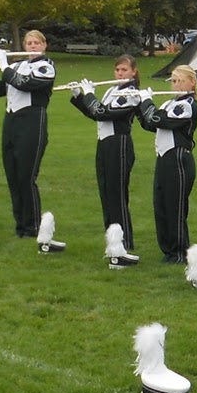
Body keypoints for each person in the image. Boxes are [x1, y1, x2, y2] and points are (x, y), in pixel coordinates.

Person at [0, 29, 55, 236]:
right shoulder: (17, 66)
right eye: (29, 43)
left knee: (26, 176)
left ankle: (32, 226)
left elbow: (24, 83)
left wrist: (3, 65)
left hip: (32, 122)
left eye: (36, 43)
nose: (32, 46)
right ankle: (20, 225)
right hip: (11, 122)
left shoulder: (46, 67)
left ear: (44, 44)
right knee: (12, 176)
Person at [69, 55, 140, 251]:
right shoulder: (112, 90)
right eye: (117, 70)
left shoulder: (132, 93)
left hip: (119, 145)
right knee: (106, 193)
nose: (120, 73)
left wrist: (90, 94)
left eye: (124, 70)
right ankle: (112, 239)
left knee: (117, 195)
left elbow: (103, 112)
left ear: (133, 72)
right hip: (104, 144)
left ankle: (125, 241)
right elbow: (95, 114)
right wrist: (79, 96)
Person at [137, 64, 197, 263]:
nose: (177, 85)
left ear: (192, 83)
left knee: (175, 206)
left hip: (178, 159)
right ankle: (168, 250)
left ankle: (179, 252)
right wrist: (138, 104)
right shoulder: (169, 104)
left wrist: (147, 103)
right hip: (164, 158)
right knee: (160, 205)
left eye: (181, 81)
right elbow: (150, 123)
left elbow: (161, 120)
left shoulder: (187, 104)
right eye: (174, 81)